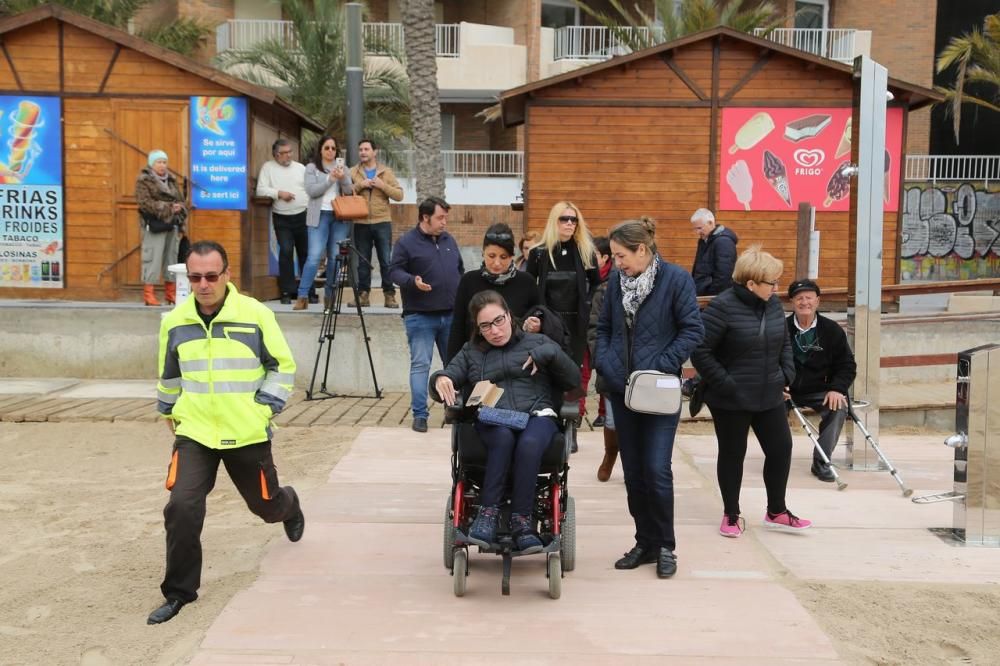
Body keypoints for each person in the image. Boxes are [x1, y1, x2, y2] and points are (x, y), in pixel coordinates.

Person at [148, 240, 303, 625]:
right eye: (196, 276)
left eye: (211, 276)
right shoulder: (175, 321)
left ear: (227, 275)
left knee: (264, 507)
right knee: (181, 507)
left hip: (246, 431)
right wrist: (170, 411)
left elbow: (282, 366)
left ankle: (289, 505)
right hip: (196, 432)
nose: (203, 284)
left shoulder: (255, 315)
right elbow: (169, 376)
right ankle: (179, 592)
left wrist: (263, 407)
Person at [594, 218, 703, 579]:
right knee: (634, 472)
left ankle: (666, 545)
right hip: (621, 389)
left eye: (622, 255)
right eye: (614, 256)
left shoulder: (675, 279)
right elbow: (604, 328)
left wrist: (660, 366)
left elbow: (692, 330)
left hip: (657, 392)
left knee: (657, 470)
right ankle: (645, 542)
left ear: (642, 250)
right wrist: (606, 363)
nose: (617, 263)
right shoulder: (614, 282)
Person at [431, 290, 580, 552]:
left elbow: (573, 381)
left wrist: (552, 354)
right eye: (486, 326)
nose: (495, 330)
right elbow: (450, 373)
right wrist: (440, 378)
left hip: (537, 416)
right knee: (502, 437)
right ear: (478, 329)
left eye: (499, 321)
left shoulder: (539, 342)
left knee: (530, 443)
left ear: (509, 316)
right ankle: (487, 515)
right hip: (494, 418)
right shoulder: (471, 352)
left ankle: (522, 522)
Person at [691, 245, 812, 540]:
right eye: (772, 282)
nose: (776, 288)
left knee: (781, 449)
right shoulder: (722, 306)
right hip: (731, 397)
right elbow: (701, 351)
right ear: (751, 283)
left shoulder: (771, 304)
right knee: (733, 454)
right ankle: (731, 514)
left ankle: (777, 511)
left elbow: (784, 341)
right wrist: (726, 383)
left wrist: (787, 373)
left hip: (768, 391)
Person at [388, 197, 464, 433]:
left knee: (454, 366)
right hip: (420, 316)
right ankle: (420, 415)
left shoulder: (449, 240)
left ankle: (454, 411)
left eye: (446, 218)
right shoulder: (406, 243)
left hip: (451, 315)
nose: (444, 222)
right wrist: (412, 281)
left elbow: (459, 269)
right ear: (425, 217)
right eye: (440, 217)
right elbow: (393, 272)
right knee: (421, 365)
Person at [526, 201, 600, 418]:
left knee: (573, 373)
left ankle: (571, 423)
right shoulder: (539, 253)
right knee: (546, 371)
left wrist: (588, 305)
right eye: (564, 219)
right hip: (548, 323)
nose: (569, 223)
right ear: (554, 221)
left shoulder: (586, 251)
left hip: (577, 324)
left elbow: (597, 285)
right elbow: (530, 287)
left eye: (574, 219)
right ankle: (546, 418)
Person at [786, 279, 857, 482]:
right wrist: (777, 383)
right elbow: (768, 361)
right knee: (768, 409)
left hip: (820, 389)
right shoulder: (781, 328)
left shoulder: (831, 330)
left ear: (817, 301)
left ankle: (822, 461)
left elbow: (847, 365)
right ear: (792, 302)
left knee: (838, 407)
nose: (804, 302)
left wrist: (837, 388)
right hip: (785, 389)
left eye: (809, 297)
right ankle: (778, 457)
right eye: (799, 298)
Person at [446, 223, 540, 362]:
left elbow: (540, 315)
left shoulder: (527, 282)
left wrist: (537, 324)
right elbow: (457, 327)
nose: (496, 263)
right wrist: (451, 368)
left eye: (503, 257)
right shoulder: (469, 280)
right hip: (476, 361)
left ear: (512, 256)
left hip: (516, 362)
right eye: (491, 255)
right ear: (483, 252)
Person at [298, 135, 353, 311]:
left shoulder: (343, 168)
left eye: (333, 148)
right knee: (314, 256)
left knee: (335, 258)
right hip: (319, 215)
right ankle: (303, 295)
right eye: (327, 148)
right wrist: (330, 179)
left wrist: (342, 177)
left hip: (339, 216)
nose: (330, 151)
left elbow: (349, 191)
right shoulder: (312, 168)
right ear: (320, 149)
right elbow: (312, 191)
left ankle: (330, 297)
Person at [256, 139, 312, 305]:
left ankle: (307, 291)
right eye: (284, 153)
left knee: (305, 253)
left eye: (290, 152)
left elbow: (309, 189)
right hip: (282, 216)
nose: (288, 156)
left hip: (303, 215)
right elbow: (261, 189)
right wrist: (279, 193)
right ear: (276, 155)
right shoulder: (268, 168)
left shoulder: (300, 168)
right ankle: (287, 291)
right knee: (286, 251)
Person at [349, 138, 403, 309]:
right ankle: (363, 295)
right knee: (363, 261)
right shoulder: (353, 172)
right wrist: (359, 185)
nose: (363, 152)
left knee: (386, 260)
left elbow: (399, 195)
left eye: (366, 149)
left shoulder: (386, 172)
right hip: (361, 222)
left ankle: (389, 295)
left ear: (374, 152)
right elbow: (345, 193)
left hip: (382, 222)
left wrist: (382, 185)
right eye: (360, 149)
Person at [136, 149, 186, 307]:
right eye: (159, 162)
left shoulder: (171, 180)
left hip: (172, 224)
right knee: (153, 258)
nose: (163, 165)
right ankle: (149, 294)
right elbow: (144, 203)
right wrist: (169, 207)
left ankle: (171, 293)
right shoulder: (144, 180)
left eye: (164, 162)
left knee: (171, 258)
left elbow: (180, 199)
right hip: (155, 224)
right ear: (152, 164)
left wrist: (179, 208)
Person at [586, 236, 615, 480]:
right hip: (612, 362)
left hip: (642, 364)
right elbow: (595, 327)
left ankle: (634, 463)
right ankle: (610, 454)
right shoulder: (605, 289)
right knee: (613, 419)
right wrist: (602, 359)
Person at [690, 208, 738, 296]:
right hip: (703, 294)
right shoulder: (703, 241)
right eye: (695, 229)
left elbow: (724, 276)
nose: (697, 232)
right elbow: (697, 268)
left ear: (710, 223)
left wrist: (710, 295)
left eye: (700, 228)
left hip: (714, 298)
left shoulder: (724, 242)